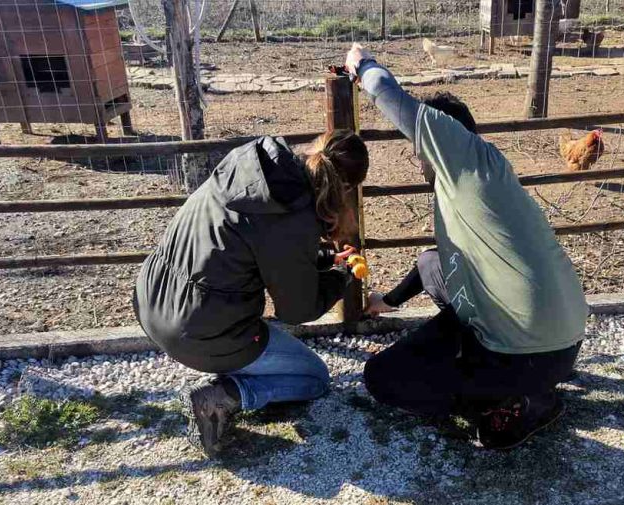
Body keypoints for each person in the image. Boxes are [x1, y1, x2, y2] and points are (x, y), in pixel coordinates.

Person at [345, 45, 588, 450]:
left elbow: (391, 97)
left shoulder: (460, 156)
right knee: (430, 261)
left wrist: (362, 65)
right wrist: (387, 300)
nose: (416, 154)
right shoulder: (476, 183)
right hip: (562, 344)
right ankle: (514, 382)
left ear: (440, 137)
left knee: (385, 379)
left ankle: (518, 401)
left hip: (525, 355)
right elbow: (431, 265)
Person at [133, 131, 369, 457]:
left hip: (152, 300)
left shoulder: (252, 163)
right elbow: (297, 310)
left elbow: (256, 247)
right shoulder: (292, 217)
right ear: (343, 190)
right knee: (316, 378)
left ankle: (225, 367)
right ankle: (227, 394)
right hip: (200, 333)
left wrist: (326, 259)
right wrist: (341, 278)